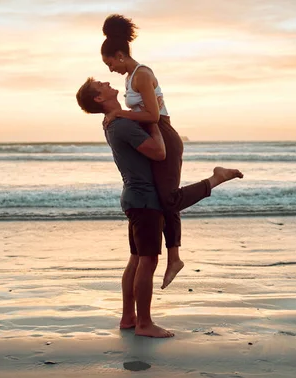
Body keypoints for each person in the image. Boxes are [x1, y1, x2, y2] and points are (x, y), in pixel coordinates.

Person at [76, 78, 242, 338]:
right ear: (99, 98)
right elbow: (158, 152)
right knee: (148, 261)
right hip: (145, 201)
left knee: (136, 259)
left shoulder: (112, 121)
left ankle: (129, 317)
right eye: (101, 84)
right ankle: (144, 323)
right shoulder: (120, 124)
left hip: (135, 198)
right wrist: (153, 123)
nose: (108, 82)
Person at [99, 14, 243, 289]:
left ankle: (217, 178)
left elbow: (153, 114)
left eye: (109, 63)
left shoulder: (142, 74)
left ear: (119, 55)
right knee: (163, 198)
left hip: (163, 134)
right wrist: (120, 115)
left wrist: (120, 113)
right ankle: (174, 256)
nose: (109, 70)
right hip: (154, 132)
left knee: (169, 198)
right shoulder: (131, 77)